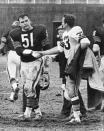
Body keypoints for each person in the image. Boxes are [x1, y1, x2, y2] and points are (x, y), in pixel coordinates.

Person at [9, 14, 50, 120]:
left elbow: (46, 47)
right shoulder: (15, 33)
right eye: (22, 22)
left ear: (30, 20)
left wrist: (46, 68)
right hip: (24, 62)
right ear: (19, 24)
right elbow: (18, 50)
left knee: (29, 88)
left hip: (37, 62)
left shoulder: (40, 30)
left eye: (26, 21)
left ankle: (27, 113)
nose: (25, 23)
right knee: (28, 89)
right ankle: (37, 113)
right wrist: (31, 52)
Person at [56, 25, 86, 118]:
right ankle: (81, 110)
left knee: (69, 89)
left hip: (70, 66)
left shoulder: (71, 40)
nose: (60, 33)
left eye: (61, 30)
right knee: (71, 89)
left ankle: (67, 111)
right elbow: (59, 54)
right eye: (59, 31)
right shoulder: (63, 42)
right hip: (64, 67)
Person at [0, 21, 21, 102]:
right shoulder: (23, 33)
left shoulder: (8, 33)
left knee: (12, 76)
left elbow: (2, 45)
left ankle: (15, 88)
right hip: (21, 55)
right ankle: (12, 96)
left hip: (11, 54)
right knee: (17, 77)